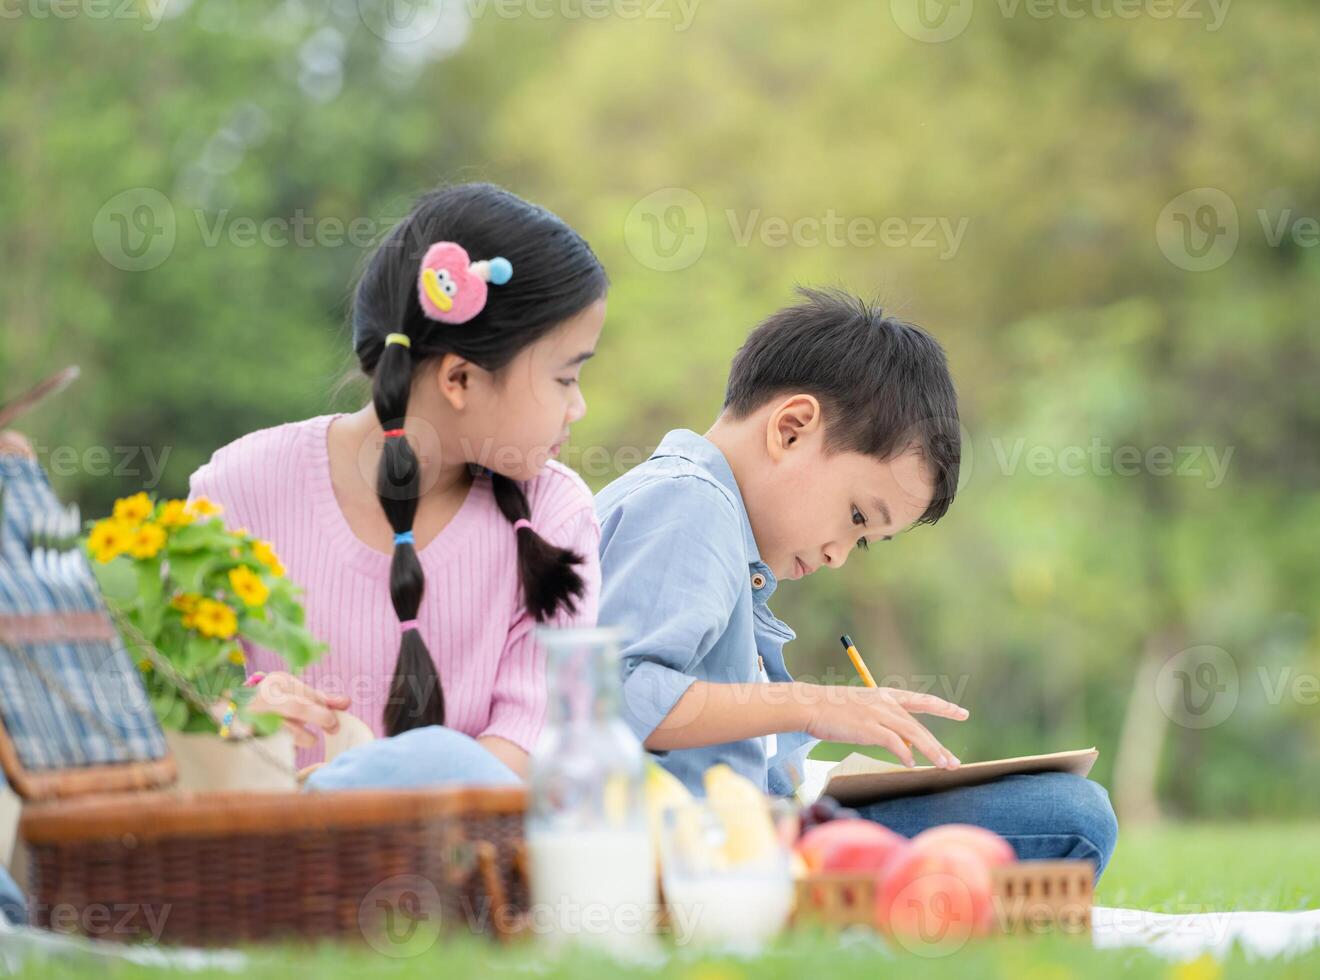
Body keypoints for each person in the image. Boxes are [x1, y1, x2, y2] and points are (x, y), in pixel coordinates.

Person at [595, 288, 1118, 880]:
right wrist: (817, 704)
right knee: (1069, 815)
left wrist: (818, 772)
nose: (841, 555)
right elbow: (615, 699)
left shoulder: (713, 522)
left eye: (863, 538)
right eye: (858, 517)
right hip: (705, 851)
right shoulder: (690, 505)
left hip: (747, 833)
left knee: (1061, 806)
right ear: (791, 429)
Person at [186, 183, 608, 787]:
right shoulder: (239, 489)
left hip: (462, 873)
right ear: (460, 378)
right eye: (566, 379)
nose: (579, 407)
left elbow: (526, 752)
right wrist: (237, 713)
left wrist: (342, 794)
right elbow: (174, 707)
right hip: (268, 871)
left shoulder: (555, 514)